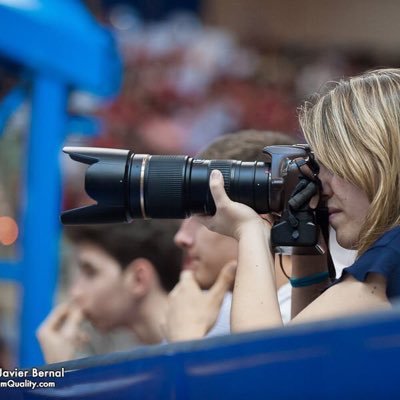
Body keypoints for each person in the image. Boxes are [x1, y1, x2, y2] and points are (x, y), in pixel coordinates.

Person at [197, 68, 399, 332]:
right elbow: (311, 348)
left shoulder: (390, 257)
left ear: (378, 161)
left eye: (332, 165)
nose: (320, 185)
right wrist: (305, 239)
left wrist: (250, 231)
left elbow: (265, 361)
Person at [164, 130, 296, 342]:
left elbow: (261, 373)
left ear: (260, 216)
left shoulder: (303, 312)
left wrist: (185, 341)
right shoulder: (216, 312)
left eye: (204, 213)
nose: (181, 238)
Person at [37, 220, 181, 363]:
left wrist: (62, 369)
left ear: (139, 278)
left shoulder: (192, 348)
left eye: (90, 272)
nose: (76, 292)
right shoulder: (141, 358)